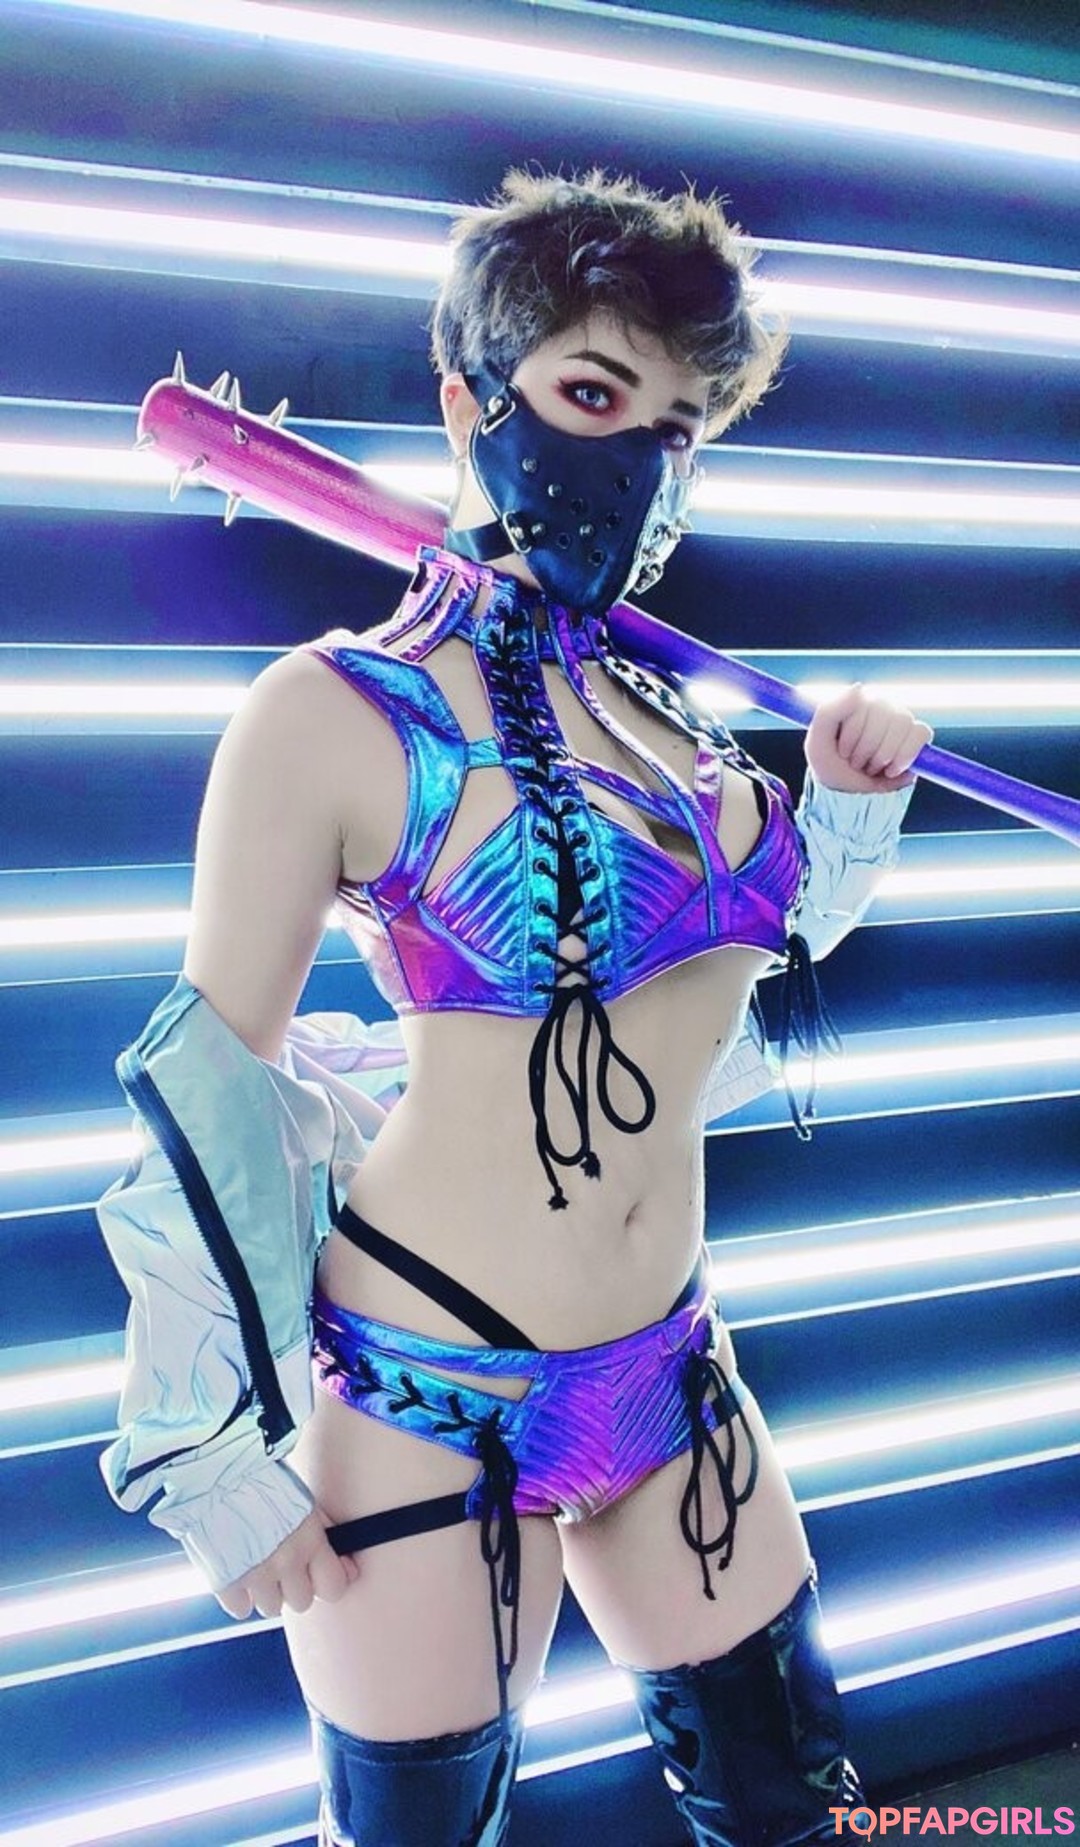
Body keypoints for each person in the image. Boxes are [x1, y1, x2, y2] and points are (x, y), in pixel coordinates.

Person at [97, 170, 932, 1846]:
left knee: (794, 1809)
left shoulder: (683, 735)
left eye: (677, 427)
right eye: (595, 396)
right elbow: (207, 1081)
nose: (639, 462)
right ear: (470, 401)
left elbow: (716, 994)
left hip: (670, 1370)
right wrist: (203, 1447)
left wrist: (839, 818)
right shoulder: (340, 714)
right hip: (428, 1391)